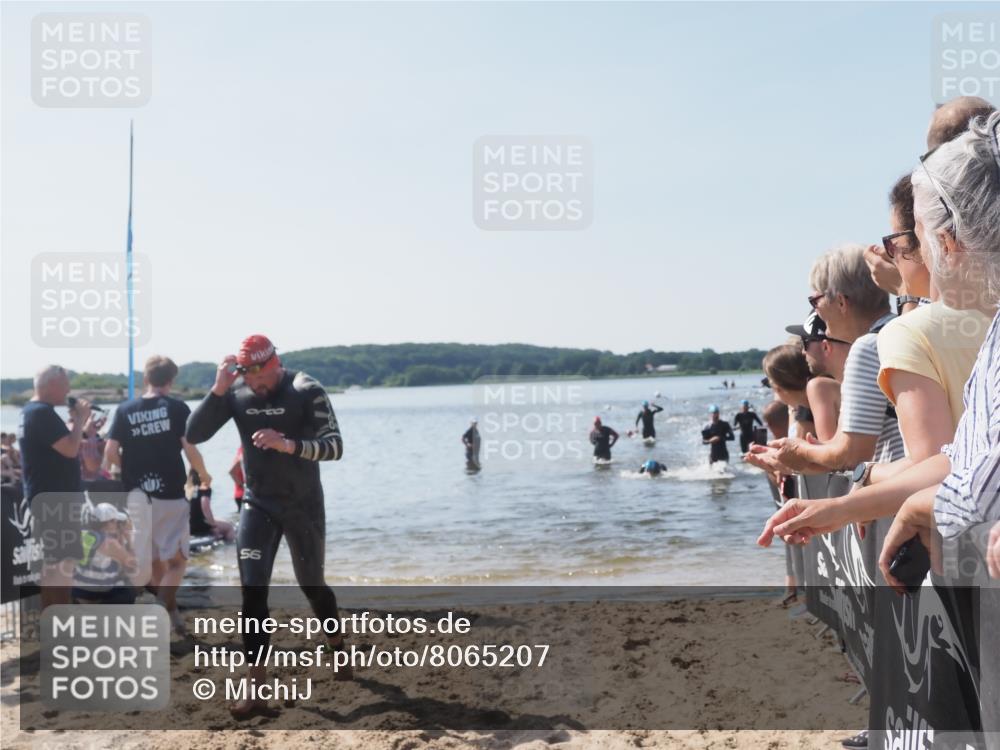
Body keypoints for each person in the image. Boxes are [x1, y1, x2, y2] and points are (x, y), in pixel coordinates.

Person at [185, 334, 348, 717]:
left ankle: (337, 646)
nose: (256, 387)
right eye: (249, 380)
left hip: (303, 504)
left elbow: (336, 446)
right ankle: (256, 689)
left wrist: (288, 444)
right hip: (257, 504)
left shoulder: (306, 389)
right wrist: (217, 389)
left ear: (275, 364)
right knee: (252, 592)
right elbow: (193, 435)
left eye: (262, 378)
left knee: (313, 585)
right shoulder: (237, 391)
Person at [747, 244, 904, 478]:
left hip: (898, 496)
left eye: (815, 300)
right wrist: (796, 457)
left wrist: (799, 450)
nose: (816, 311)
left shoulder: (868, 348)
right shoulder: (903, 330)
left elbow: (851, 455)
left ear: (841, 302)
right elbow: (844, 447)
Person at [104, 356, 211, 635]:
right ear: (171, 380)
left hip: (137, 496)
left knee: (153, 560)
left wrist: (129, 469)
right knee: (177, 561)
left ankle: (174, 618)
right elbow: (189, 448)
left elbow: (110, 453)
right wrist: (203, 474)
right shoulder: (176, 408)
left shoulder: (125, 409)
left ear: (145, 378)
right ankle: (161, 609)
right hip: (170, 494)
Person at [17, 366, 89, 610]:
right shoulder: (41, 413)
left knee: (53, 566)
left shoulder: (31, 411)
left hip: (46, 499)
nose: (69, 390)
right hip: (56, 502)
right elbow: (70, 449)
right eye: (65, 384)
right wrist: (79, 420)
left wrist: (75, 425)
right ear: (51, 385)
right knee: (61, 567)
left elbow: (59, 445)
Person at [72, 502, 137, 605]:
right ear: (109, 523)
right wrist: (129, 538)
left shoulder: (86, 534)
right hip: (92, 593)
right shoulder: (109, 542)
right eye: (116, 522)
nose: (118, 525)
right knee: (129, 591)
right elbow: (133, 565)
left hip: (78, 590)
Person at [186, 469, 236, 543]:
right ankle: (228, 547)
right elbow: (205, 506)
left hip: (188, 526)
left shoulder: (188, 489)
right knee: (229, 527)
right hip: (201, 525)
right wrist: (213, 526)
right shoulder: (204, 489)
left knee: (220, 520)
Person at [229, 445, 245, 511]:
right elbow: (232, 472)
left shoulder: (241, 450)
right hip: (243, 494)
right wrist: (243, 486)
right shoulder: (243, 452)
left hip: (240, 495)